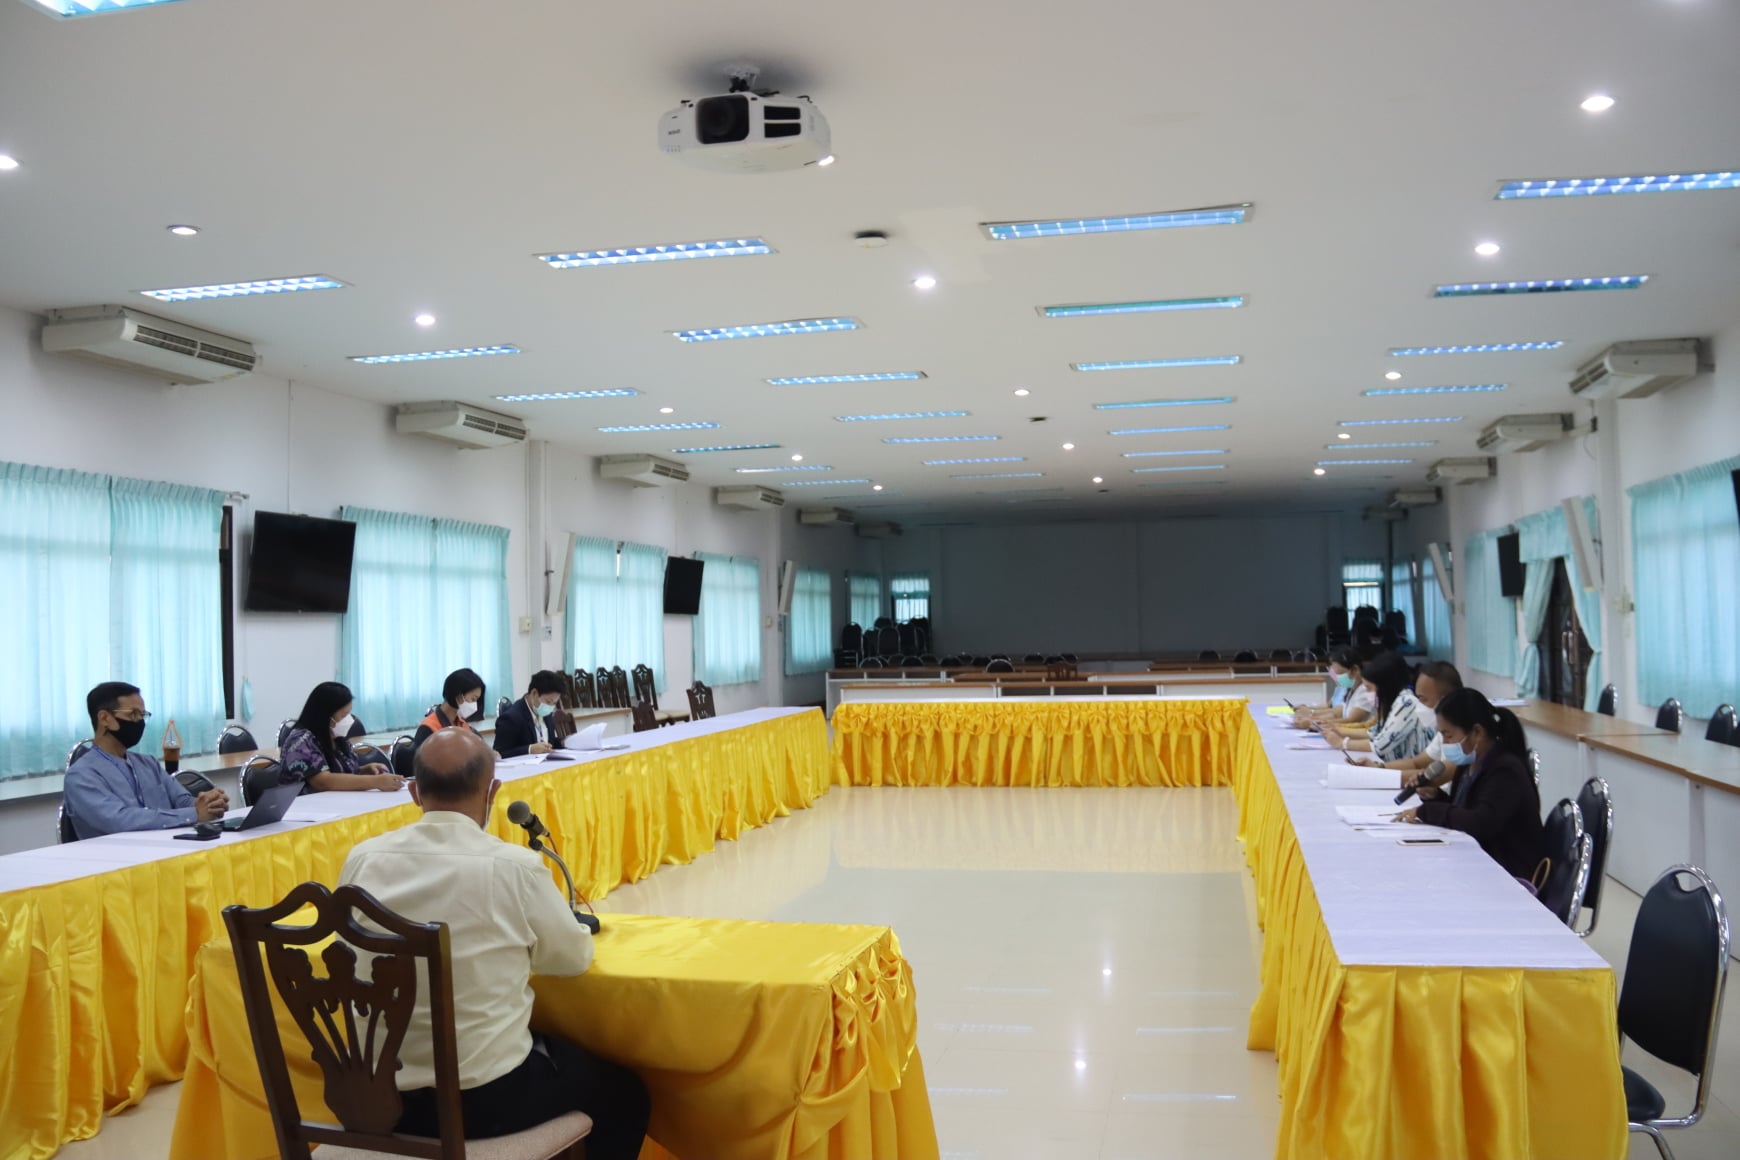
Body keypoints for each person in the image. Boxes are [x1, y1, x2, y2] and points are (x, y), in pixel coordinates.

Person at [338, 730, 650, 1156]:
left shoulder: (362, 858)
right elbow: (572, 960)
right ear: (493, 791)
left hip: (373, 1098)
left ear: (413, 792)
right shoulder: (514, 866)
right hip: (482, 1103)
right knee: (626, 1093)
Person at [1400, 687, 1547, 880]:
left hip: (1508, 872)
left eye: (1448, 735)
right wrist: (1435, 796)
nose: (1445, 743)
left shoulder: (1505, 770)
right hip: (1481, 860)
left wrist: (1427, 811)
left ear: (1477, 732)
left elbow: (1479, 823)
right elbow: (1463, 809)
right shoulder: (1470, 763)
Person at [63, 681, 229, 839]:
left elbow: (181, 800)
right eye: (133, 714)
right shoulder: (81, 776)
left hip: (167, 848)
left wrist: (210, 804)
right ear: (104, 718)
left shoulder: (148, 763)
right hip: (114, 856)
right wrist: (194, 814)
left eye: (142, 715)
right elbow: (119, 820)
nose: (139, 722)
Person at [280, 681, 406, 793]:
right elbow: (322, 781)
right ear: (325, 715)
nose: (348, 720)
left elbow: (340, 773)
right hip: (305, 807)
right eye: (344, 715)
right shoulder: (301, 740)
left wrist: (364, 770)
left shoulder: (336, 737)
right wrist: (375, 782)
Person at [1323, 651, 1430, 764]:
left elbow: (1380, 745)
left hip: (1405, 769)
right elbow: (1373, 733)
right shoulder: (1392, 703)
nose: (1367, 693)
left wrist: (1342, 743)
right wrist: (1338, 731)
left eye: (1369, 688)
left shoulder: (1406, 703)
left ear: (1384, 686)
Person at [1385, 661, 1463, 775]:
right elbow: (1416, 763)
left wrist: (1381, 775)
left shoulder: (1464, 734)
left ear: (1445, 700)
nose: (1419, 705)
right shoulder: (1442, 732)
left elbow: (1438, 777)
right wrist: (1379, 767)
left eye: (1423, 699)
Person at [494, 671, 567, 759]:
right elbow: (499, 753)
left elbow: (549, 742)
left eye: (554, 703)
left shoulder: (545, 713)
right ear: (534, 693)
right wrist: (529, 749)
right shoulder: (511, 717)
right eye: (548, 702)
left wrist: (565, 742)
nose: (551, 707)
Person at [413, 668, 486, 751]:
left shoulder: (462, 724)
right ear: (459, 696)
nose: (475, 705)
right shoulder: (428, 728)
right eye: (473, 699)